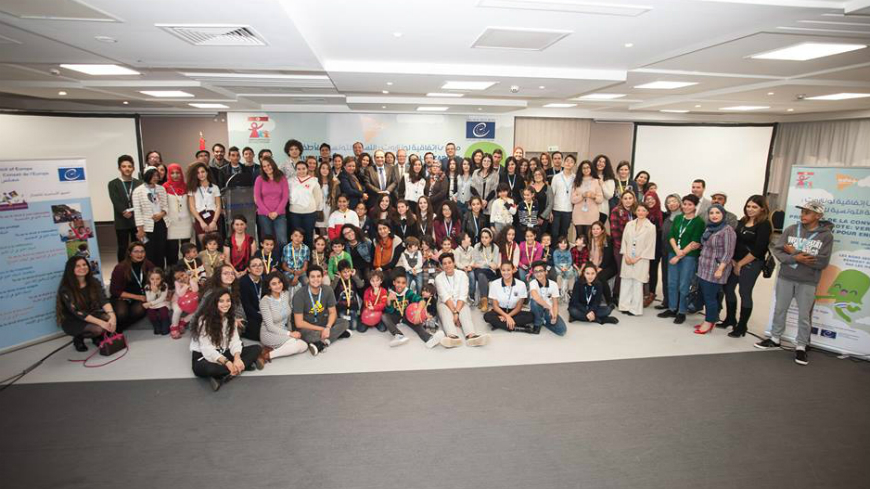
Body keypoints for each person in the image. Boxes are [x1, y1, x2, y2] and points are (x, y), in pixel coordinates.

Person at [755, 200, 833, 365]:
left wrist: (795, 252)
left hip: (808, 281)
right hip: (786, 277)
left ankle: (801, 346)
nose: (803, 215)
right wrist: (795, 258)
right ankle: (775, 338)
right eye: (802, 211)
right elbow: (778, 250)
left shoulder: (826, 236)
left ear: (818, 216)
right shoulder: (791, 229)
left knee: (804, 315)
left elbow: (822, 262)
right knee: (780, 309)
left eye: (807, 212)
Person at [720, 195, 773, 338]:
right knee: (728, 288)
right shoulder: (742, 221)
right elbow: (733, 241)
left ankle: (742, 326)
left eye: (754, 207)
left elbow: (759, 249)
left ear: (762, 209)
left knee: (744, 292)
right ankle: (730, 319)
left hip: (751, 264)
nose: (750, 209)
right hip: (734, 262)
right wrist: (732, 260)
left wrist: (740, 263)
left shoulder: (764, 225)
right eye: (748, 206)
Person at [190, 290, 263, 392]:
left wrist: (237, 358)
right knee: (209, 369)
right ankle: (240, 367)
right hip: (204, 356)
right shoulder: (204, 320)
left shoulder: (231, 318)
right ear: (214, 303)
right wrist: (228, 363)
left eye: (228, 300)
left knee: (257, 348)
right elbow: (207, 349)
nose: (226, 304)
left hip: (223, 351)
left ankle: (223, 374)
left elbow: (235, 341)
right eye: (221, 301)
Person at [658, 194, 704, 325]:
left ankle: (682, 311)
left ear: (695, 206)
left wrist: (679, 255)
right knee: (672, 282)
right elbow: (671, 236)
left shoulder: (699, 222)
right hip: (674, 253)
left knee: (684, 284)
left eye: (690, 204)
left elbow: (695, 242)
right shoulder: (678, 218)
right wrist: (676, 251)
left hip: (688, 257)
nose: (686, 207)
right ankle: (672, 308)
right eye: (685, 204)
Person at [56, 256, 116, 352]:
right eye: (78, 266)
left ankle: (96, 337)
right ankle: (78, 338)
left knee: (109, 320)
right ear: (71, 269)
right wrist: (102, 323)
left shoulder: (94, 282)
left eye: (84, 264)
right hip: (73, 319)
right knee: (98, 329)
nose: (82, 267)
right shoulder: (66, 289)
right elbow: (78, 312)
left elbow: (103, 300)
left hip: (92, 313)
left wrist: (112, 316)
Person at [694, 204, 737, 335]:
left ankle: (709, 322)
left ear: (723, 214)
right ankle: (708, 319)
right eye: (711, 213)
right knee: (705, 294)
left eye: (717, 212)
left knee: (710, 297)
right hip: (704, 267)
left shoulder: (727, 231)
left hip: (715, 269)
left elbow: (728, 253)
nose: (714, 215)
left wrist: (721, 269)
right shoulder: (710, 227)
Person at [292, 265, 352, 356]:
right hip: (307, 326)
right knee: (310, 335)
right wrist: (323, 329)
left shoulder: (328, 290)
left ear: (322, 277)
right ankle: (335, 335)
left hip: (322, 321)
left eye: (318, 276)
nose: (316, 279)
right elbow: (299, 323)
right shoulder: (299, 295)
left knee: (345, 323)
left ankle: (323, 342)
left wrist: (328, 327)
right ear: (307, 278)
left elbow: (333, 312)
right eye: (312, 277)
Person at [434, 253, 490, 347]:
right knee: (445, 314)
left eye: (449, 262)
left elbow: (462, 296)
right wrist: (455, 313)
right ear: (441, 266)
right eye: (444, 263)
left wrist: (456, 313)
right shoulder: (438, 278)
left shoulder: (462, 275)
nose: (447, 265)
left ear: (454, 263)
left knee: (465, 313)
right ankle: (452, 337)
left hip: (460, 302)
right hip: (445, 303)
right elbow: (445, 297)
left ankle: (472, 336)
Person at [259, 272, 309, 363]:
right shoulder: (265, 301)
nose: (278, 286)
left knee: (304, 345)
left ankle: (270, 351)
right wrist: (290, 334)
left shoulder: (286, 294)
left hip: (284, 331)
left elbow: (288, 318)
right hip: (269, 333)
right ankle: (267, 355)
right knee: (296, 344)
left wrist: (291, 331)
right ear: (269, 286)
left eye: (279, 282)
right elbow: (270, 327)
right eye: (274, 284)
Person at [617, 204, 657, 316]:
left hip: (641, 258)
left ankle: (635, 309)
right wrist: (626, 255)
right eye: (639, 210)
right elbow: (624, 241)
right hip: (628, 256)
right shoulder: (629, 224)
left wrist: (637, 258)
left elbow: (650, 245)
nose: (640, 212)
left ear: (647, 212)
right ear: (635, 211)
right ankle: (624, 306)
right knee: (626, 281)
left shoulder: (651, 227)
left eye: (643, 210)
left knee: (637, 283)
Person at [109, 242, 153, 331]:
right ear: (130, 253)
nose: (139, 254)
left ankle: (118, 329)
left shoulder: (148, 265)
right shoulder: (120, 268)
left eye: (142, 251)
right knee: (121, 313)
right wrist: (137, 297)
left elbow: (157, 280)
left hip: (141, 297)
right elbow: (114, 290)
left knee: (139, 311)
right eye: (136, 252)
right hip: (124, 296)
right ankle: (114, 328)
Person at [132, 166, 170, 268]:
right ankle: (149, 273)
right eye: (153, 176)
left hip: (161, 224)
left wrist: (161, 214)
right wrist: (140, 229)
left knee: (161, 251)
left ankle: (160, 273)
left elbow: (166, 206)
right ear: (147, 176)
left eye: (157, 175)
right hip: (146, 227)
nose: (156, 178)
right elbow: (137, 211)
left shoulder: (161, 189)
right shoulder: (138, 191)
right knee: (149, 252)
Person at [484, 261, 537, 334]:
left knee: (531, 316)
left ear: (513, 270)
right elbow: (495, 306)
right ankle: (516, 328)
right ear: (500, 271)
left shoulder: (521, 284)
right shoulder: (494, 284)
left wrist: (507, 316)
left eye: (508, 270)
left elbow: (519, 307)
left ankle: (499, 324)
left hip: (514, 311)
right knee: (487, 316)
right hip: (500, 311)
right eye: (503, 270)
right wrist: (506, 316)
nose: (506, 273)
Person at [108, 155, 142, 262]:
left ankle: (137, 266)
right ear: (119, 168)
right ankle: (122, 268)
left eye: (129, 166)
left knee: (137, 246)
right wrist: (123, 211)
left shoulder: (139, 183)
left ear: (133, 168)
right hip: (121, 220)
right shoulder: (113, 184)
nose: (127, 169)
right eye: (124, 166)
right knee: (123, 247)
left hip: (136, 220)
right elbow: (115, 200)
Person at [254, 156, 289, 252]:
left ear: (273, 165)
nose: (267, 168)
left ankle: (282, 260)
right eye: (264, 166)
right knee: (268, 241)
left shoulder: (282, 178)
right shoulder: (259, 179)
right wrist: (268, 213)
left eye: (268, 165)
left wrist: (277, 212)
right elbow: (258, 199)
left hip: (280, 214)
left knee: (282, 240)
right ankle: (269, 259)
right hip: (264, 215)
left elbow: (285, 197)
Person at [655, 194, 682, 312]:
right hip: (665, 252)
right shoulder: (667, 218)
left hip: (676, 253)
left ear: (679, 202)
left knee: (675, 280)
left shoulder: (682, 218)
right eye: (669, 202)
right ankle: (666, 301)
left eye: (674, 201)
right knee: (665, 278)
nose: (671, 204)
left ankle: (676, 304)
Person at [289, 160, 323, 249]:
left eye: (303, 168)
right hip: (294, 213)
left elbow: (318, 197)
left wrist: (313, 208)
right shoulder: (290, 181)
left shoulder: (313, 181)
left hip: (310, 213)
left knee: (308, 236)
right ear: (295, 170)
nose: (301, 171)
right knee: (295, 237)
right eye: (299, 169)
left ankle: (308, 256)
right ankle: (295, 255)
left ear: (307, 169)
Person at [187, 162, 222, 247]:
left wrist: (214, 221)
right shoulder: (192, 188)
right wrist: (201, 222)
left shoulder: (214, 187)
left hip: (213, 216)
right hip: (200, 218)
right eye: (198, 173)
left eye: (202, 172)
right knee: (204, 246)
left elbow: (218, 206)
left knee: (214, 246)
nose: (201, 174)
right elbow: (192, 207)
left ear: (207, 172)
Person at [162, 163, 191, 266]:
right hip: (171, 222)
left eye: (177, 173)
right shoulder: (164, 187)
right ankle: (173, 270)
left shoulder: (186, 186)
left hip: (186, 221)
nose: (175, 175)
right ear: (169, 174)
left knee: (186, 248)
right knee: (172, 249)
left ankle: (187, 268)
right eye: (172, 173)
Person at [528, 261, 568, 336]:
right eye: (536, 272)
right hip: (537, 308)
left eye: (541, 271)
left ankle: (542, 320)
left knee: (562, 331)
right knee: (534, 302)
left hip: (547, 310)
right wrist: (549, 307)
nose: (538, 274)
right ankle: (538, 322)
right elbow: (536, 297)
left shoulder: (553, 284)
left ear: (546, 272)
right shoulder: (532, 283)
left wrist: (554, 316)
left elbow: (555, 303)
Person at [642, 191, 665, 308]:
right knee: (642, 270)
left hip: (656, 248)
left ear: (657, 200)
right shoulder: (642, 213)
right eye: (647, 199)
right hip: (643, 247)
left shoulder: (663, 215)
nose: (650, 201)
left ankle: (651, 293)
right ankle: (642, 292)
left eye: (652, 199)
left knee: (652, 271)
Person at [572, 159, 603, 240]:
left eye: (588, 167)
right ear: (581, 170)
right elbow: (573, 199)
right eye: (584, 168)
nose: (586, 170)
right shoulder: (576, 182)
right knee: (579, 237)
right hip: (578, 214)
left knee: (589, 238)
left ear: (591, 169)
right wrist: (582, 196)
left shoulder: (596, 181)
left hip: (592, 214)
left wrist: (593, 196)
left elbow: (600, 199)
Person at [587, 221, 617, 305]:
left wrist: (600, 268)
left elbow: (607, 256)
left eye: (598, 229)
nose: (595, 231)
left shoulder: (606, 240)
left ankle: (609, 300)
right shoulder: (591, 240)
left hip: (609, 266)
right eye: (593, 229)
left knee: (600, 277)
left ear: (602, 230)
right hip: (595, 265)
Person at [238, 257, 266, 341]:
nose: (258, 268)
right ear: (249, 269)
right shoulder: (243, 282)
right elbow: (246, 306)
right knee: (258, 333)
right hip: (249, 314)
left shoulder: (265, 279)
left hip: (262, 312)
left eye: (260, 265)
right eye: (254, 266)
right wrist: (261, 316)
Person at [549, 154, 575, 241]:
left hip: (568, 210)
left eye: (571, 162)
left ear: (574, 164)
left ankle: (563, 249)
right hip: (556, 209)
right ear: (563, 162)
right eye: (567, 161)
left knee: (564, 233)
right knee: (554, 233)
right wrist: (550, 211)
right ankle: (554, 249)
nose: (569, 163)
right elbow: (552, 194)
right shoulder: (556, 177)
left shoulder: (575, 178)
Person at [170, 264, 198, 339]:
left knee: (198, 310)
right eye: (178, 278)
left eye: (182, 275)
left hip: (191, 301)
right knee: (178, 310)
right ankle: (174, 327)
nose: (181, 278)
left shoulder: (192, 279)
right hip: (177, 301)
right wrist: (186, 286)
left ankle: (183, 321)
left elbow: (195, 290)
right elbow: (180, 294)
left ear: (186, 271)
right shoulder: (177, 283)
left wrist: (190, 279)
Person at [143, 268, 171, 335]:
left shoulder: (164, 285)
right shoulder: (147, 287)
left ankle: (166, 323)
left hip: (162, 303)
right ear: (149, 279)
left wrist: (151, 303)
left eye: (158, 279)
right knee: (150, 313)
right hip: (152, 305)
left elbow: (162, 298)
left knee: (163, 311)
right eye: (152, 279)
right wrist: (153, 292)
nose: (155, 281)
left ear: (161, 279)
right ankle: (156, 324)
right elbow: (149, 299)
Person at [282, 229, 309, 295]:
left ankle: (305, 298)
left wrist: (297, 275)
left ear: (303, 238)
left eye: (300, 236)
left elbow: (305, 266)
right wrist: (293, 272)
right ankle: (289, 298)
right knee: (288, 283)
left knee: (307, 283)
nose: (298, 238)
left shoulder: (306, 248)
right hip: (289, 271)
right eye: (296, 235)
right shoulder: (286, 248)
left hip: (301, 272)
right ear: (291, 237)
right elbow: (284, 266)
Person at [594, 155, 616, 223]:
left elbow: (609, 196)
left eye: (603, 162)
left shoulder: (609, 179)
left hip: (602, 210)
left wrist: (602, 184)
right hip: (588, 209)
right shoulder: (590, 176)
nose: (601, 163)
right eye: (599, 161)